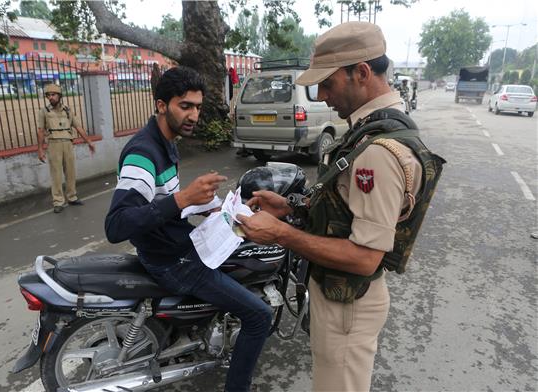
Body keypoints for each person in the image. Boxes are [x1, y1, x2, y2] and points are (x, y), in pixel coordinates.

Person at [237, 21, 444, 392]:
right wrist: (291, 207)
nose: (319, 95)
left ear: (361, 73)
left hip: (347, 307)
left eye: (328, 83)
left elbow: (365, 257)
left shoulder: (378, 152)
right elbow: (343, 210)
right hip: (342, 299)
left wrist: (281, 234)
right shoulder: (370, 130)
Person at [104, 66, 272, 392]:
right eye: (186, 106)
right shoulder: (143, 153)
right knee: (259, 316)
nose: (194, 114)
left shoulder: (166, 140)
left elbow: (162, 200)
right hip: (171, 259)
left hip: (176, 243)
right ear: (161, 105)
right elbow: (117, 224)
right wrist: (183, 200)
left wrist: (209, 206)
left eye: (198, 106)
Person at [37, 83, 95, 213]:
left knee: (70, 172)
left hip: (68, 143)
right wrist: (40, 149)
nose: (50, 98)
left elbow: (78, 126)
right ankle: (58, 201)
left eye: (53, 95)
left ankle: (72, 197)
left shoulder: (67, 110)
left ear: (59, 95)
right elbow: (40, 130)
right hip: (54, 144)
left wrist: (89, 141)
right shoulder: (44, 112)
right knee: (56, 173)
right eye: (48, 95)